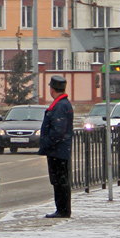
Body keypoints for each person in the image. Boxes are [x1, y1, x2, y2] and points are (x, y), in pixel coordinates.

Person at [38, 74, 73, 219]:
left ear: (52, 89)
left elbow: (58, 130)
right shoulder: (62, 104)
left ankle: (62, 210)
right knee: (60, 180)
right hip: (60, 150)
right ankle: (62, 209)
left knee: (59, 181)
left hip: (57, 150)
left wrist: (47, 144)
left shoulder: (60, 106)